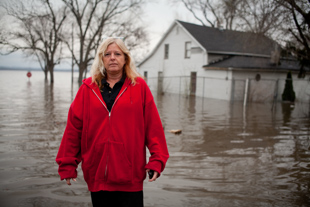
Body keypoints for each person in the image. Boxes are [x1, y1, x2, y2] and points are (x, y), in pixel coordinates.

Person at [55, 37, 169, 207]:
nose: (113, 57)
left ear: (125, 59)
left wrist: (157, 160)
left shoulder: (139, 87)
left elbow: (153, 128)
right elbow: (74, 128)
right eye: (107, 54)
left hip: (130, 176)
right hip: (97, 175)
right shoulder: (87, 89)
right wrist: (67, 163)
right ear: (102, 59)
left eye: (117, 53)